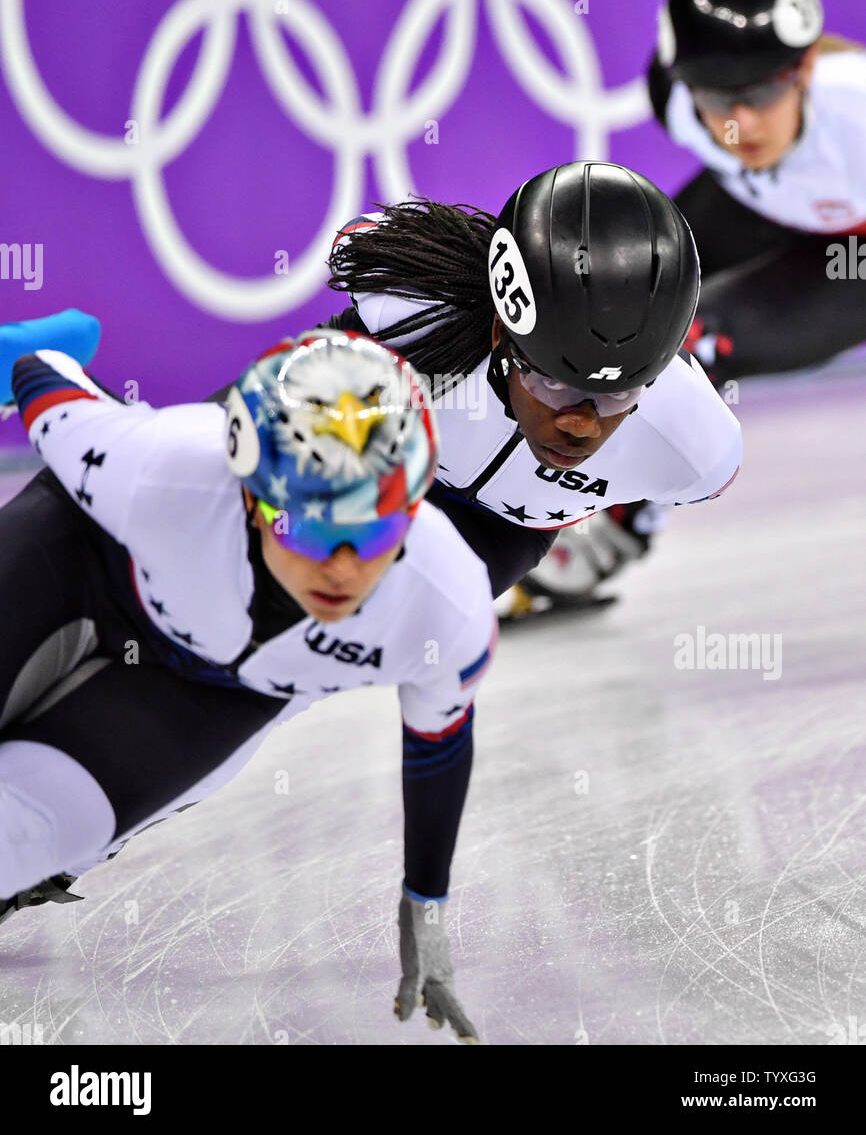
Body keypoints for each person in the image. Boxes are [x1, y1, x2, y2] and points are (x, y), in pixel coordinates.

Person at [0, 327, 495, 1042]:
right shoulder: (161, 468)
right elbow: (40, 375)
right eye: (318, 534)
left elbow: (439, 744)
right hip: (81, 560)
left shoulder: (444, 601)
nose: (345, 571)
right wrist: (42, 344)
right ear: (256, 498)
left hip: (210, 697)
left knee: (22, 836)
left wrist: (426, 904)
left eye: (378, 533)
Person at [325, 160, 742, 615]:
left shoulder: (696, 445)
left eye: (618, 394)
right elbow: (358, 238)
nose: (581, 425)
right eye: (552, 383)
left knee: (359, 632)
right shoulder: (415, 309)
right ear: (500, 332)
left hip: (499, 529)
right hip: (373, 448)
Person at [649, 0, 866, 384]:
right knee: (619, 295)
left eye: (764, 94)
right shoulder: (674, 103)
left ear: (804, 69)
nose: (740, 125)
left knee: (693, 343)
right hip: (754, 204)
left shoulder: (855, 114)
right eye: (716, 99)